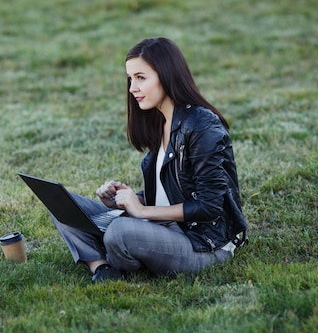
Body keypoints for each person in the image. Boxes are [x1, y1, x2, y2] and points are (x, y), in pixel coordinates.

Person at [51, 37, 248, 283]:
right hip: (162, 228)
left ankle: (114, 252)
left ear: (166, 75)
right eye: (130, 79)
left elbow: (210, 206)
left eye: (141, 78)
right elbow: (172, 191)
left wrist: (142, 210)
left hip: (203, 243)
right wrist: (124, 200)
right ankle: (101, 268)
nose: (132, 87)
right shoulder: (161, 122)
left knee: (119, 232)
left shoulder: (202, 124)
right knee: (62, 206)